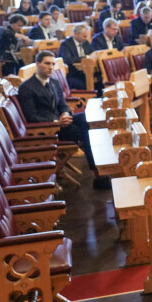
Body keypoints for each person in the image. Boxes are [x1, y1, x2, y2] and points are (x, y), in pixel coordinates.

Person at [18, 51, 105, 184]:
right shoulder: (27, 87)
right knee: (87, 131)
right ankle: (98, 172)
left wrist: (65, 114)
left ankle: (100, 169)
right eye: (47, 63)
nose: (51, 67)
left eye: (53, 64)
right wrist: (56, 122)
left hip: (62, 122)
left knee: (86, 118)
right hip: (49, 129)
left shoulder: (54, 82)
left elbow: (63, 105)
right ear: (37, 64)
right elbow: (31, 117)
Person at [59, 23, 92, 90]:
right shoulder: (66, 44)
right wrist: (85, 58)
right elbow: (67, 60)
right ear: (75, 34)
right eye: (84, 36)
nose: (86, 38)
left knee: (98, 81)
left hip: (84, 72)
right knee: (85, 84)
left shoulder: (85, 42)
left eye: (86, 36)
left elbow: (92, 54)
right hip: (72, 74)